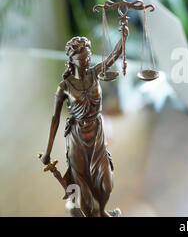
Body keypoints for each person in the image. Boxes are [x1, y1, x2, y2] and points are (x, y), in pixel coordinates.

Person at [40, 28, 127, 216]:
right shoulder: (64, 87)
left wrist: (123, 36)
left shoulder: (94, 73)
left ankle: (101, 211)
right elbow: (55, 119)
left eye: (89, 57)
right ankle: (94, 213)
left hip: (97, 133)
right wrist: (47, 152)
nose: (87, 61)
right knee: (83, 188)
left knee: (106, 183)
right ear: (72, 60)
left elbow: (113, 56)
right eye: (83, 59)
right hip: (77, 138)